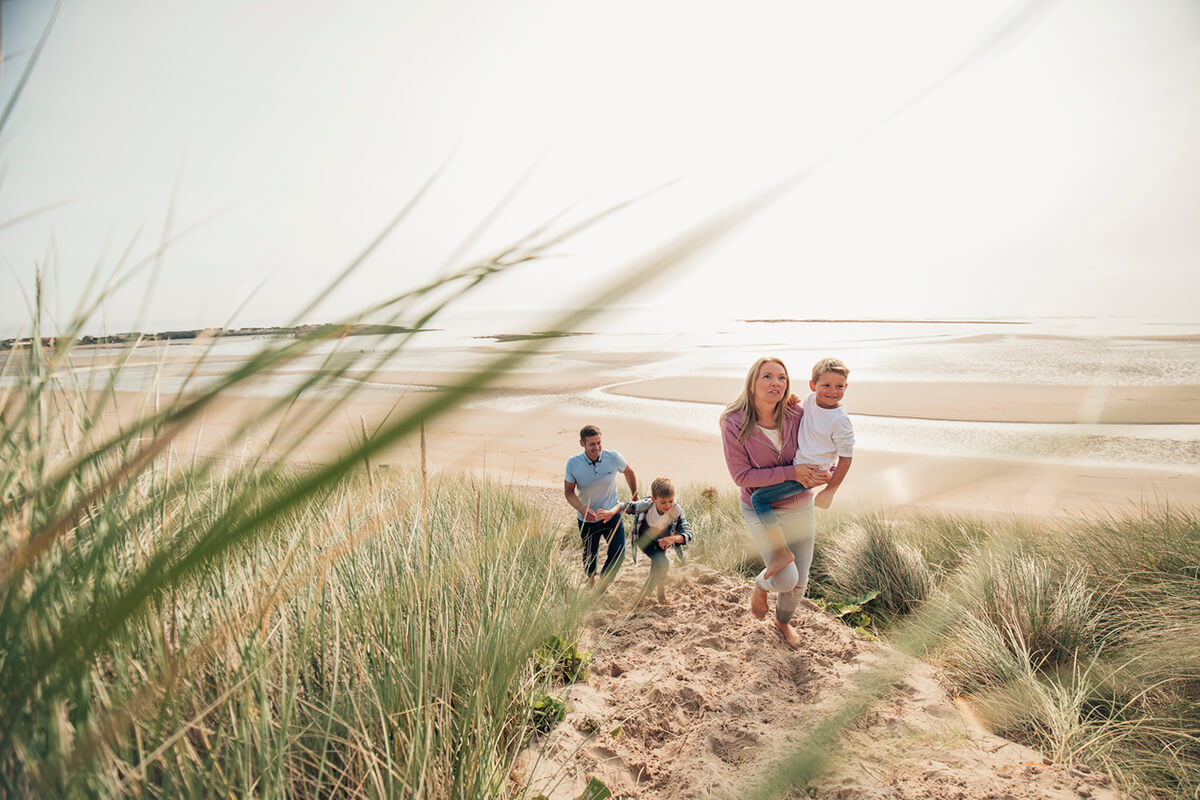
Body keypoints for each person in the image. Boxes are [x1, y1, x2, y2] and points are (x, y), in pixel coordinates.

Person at [720, 357, 831, 647]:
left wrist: (824, 474)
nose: (776, 383)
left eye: (781, 378)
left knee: (800, 582)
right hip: (761, 506)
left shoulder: (796, 413)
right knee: (783, 579)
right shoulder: (733, 423)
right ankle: (760, 584)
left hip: (800, 504)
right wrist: (793, 472)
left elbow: (823, 431)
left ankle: (782, 622)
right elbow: (742, 476)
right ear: (752, 383)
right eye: (767, 377)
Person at [747, 358, 855, 591]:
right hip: (798, 469)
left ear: (846, 388)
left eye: (839, 386)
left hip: (808, 476)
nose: (832, 391)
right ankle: (780, 549)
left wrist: (830, 490)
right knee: (764, 499)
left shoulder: (841, 421)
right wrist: (792, 399)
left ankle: (780, 551)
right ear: (812, 385)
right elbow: (800, 410)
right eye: (826, 385)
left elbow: (846, 458)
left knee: (758, 499)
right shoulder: (810, 401)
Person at [564, 424, 638, 587]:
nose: (597, 447)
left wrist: (635, 497)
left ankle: (603, 584)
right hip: (587, 519)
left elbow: (628, 471)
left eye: (599, 443)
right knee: (590, 555)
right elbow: (569, 492)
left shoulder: (613, 458)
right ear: (582, 444)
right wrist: (582, 509)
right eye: (592, 444)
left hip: (612, 513)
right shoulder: (573, 464)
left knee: (618, 553)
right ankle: (591, 580)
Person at [614, 475, 693, 604]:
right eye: (663, 502)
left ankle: (659, 596)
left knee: (658, 565)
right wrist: (611, 512)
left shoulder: (676, 511)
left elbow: (688, 534)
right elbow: (625, 506)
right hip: (644, 539)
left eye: (671, 501)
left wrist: (673, 539)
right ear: (654, 499)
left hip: (663, 540)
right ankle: (643, 596)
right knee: (663, 564)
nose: (668, 505)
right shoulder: (645, 506)